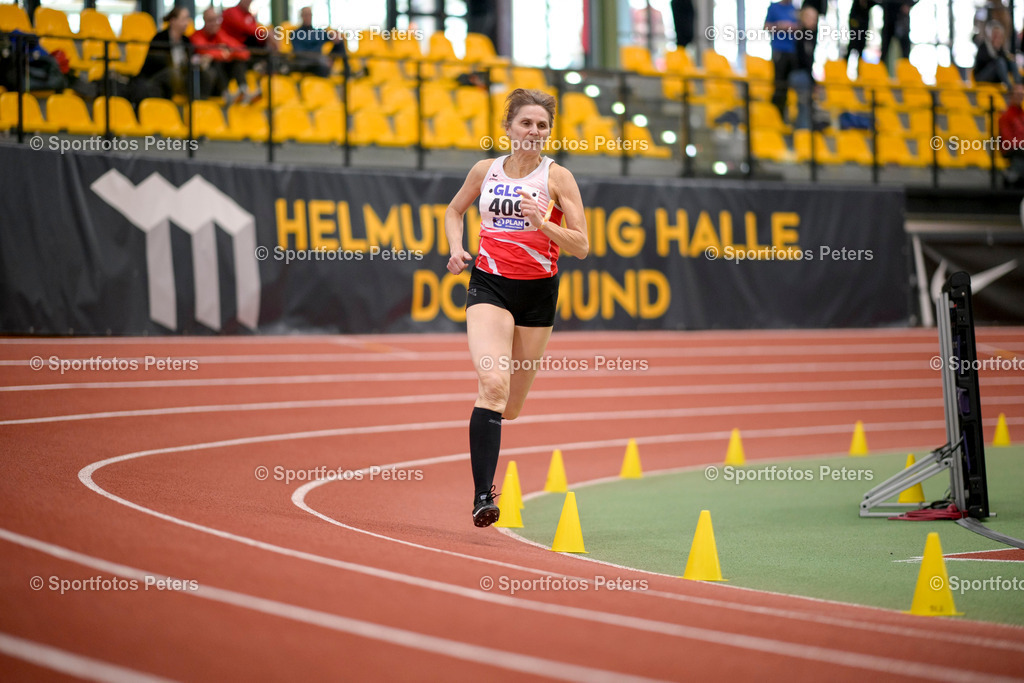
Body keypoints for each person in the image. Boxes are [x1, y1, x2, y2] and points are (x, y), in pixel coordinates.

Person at [444, 88, 589, 527]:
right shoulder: (484, 170)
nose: (534, 131)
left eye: (542, 125)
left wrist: (543, 223)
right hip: (490, 285)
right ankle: (483, 496)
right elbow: (454, 210)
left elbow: (582, 246)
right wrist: (456, 248)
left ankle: (492, 430)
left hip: (538, 295)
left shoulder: (558, 177)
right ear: (508, 127)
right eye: (525, 122)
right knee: (492, 384)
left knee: (509, 407)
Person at [136, 7, 212, 101]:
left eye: (187, 19)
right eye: (183, 19)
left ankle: (197, 104)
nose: (187, 23)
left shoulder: (186, 40)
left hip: (181, 77)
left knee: (207, 74)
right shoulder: (160, 38)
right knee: (173, 73)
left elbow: (191, 60)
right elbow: (155, 63)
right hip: (158, 76)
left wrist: (199, 61)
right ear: (173, 21)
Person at [190, 7, 258, 104]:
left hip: (224, 75)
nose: (214, 23)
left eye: (216, 20)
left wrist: (228, 53)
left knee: (238, 62)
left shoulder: (220, 34)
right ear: (204, 21)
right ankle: (226, 94)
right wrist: (223, 52)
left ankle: (244, 91)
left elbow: (244, 52)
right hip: (208, 84)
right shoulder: (196, 36)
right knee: (216, 62)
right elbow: (205, 51)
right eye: (210, 20)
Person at [289, 6, 349, 78]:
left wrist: (335, 34)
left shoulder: (318, 32)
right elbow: (300, 53)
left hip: (319, 63)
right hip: (306, 64)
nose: (308, 17)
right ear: (301, 16)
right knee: (321, 67)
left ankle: (347, 75)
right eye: (306, 15)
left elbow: (335, 38)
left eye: (310, 15)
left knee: (339, 42)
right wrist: (322, 59)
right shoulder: (295, 34)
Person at [764, 0, 799, 123]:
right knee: (779, 86)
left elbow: (802, 28)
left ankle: (790, 119)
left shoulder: (795, 9)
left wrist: (794, 28)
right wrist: (780, 26)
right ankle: (776, 118)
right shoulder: (773, 7)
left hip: (793, 53)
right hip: (779, 51)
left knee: (793, 87)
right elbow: (766, 27)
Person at [974, 21, 1022, 88]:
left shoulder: (1000, 49)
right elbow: (988, 61)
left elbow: (1006, 60)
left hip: (995, 77)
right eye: (995, 35)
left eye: (999, 35)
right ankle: (1009, 87)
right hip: (981, 77)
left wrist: (1009, 58)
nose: (997, 37)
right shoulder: (984, 46)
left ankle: (1018, 84)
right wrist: (996, 50)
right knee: (999, 61)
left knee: (1011, 61)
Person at [999, 83, 1024, 187]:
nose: (1020, 97)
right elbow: (1007, 139)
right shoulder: (1006, 116)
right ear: (1011, 95)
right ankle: (1012, 177)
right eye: (1017, 94)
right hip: (1012, 149)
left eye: (1021, 94)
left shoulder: (1022, 114)